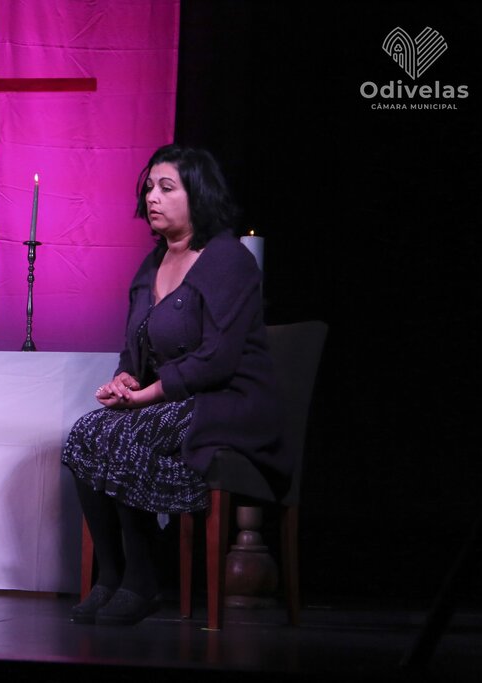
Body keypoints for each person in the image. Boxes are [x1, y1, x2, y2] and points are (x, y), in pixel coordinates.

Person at [62, 144, 284, 626]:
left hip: (227, 400)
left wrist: (146, 396)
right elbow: (135, 347)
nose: (152, 197)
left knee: (125, 434)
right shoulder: (152, 264)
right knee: (84, 433)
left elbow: (217, 359)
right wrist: (125, 380)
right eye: (149, 188)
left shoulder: (227, 260)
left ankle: (143, 579)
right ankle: (110, 575)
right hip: (171, 399)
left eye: (166, 187)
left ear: (198, 195)